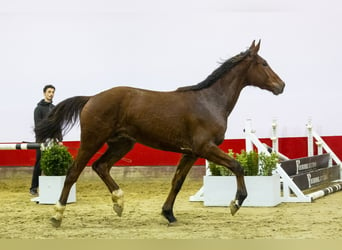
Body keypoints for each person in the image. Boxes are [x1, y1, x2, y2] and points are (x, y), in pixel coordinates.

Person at [29, 84, 56, 196]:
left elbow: (57, 125)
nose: (51, 94)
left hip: (53, 140)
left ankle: (50, 187)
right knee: (39, 164)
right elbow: (38, 126)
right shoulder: (38, 109)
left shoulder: (54, 108)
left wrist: (58, 138)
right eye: (49, 92)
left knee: (52, 163)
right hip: (41, 140)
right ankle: (34, 187)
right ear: (44, 93)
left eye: (53, 92)